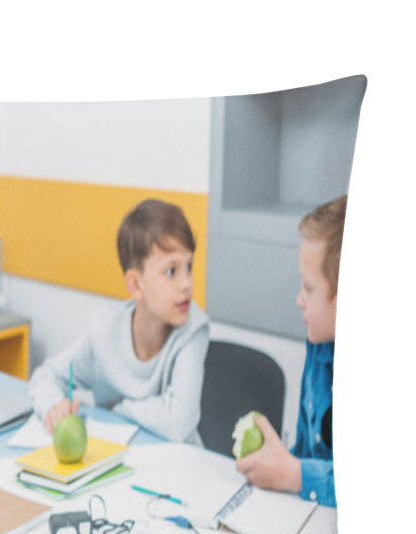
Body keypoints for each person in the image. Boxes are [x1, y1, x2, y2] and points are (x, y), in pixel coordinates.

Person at [29, 199, 209, 443]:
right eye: (171, 271)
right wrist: (52, 406)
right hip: (119, 459)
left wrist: (120, 409)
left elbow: (179, 420)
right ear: (135, 285)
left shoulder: (193, 329)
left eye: (189, 266)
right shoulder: (106, 329)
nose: (187, 283)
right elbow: (46, 376)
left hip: (178, 468)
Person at [236, 195, 347, 508]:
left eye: (309, 288)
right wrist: (279, 461)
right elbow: (305, 451)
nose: (299, 299)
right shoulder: (318, 342)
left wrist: (294, 475)